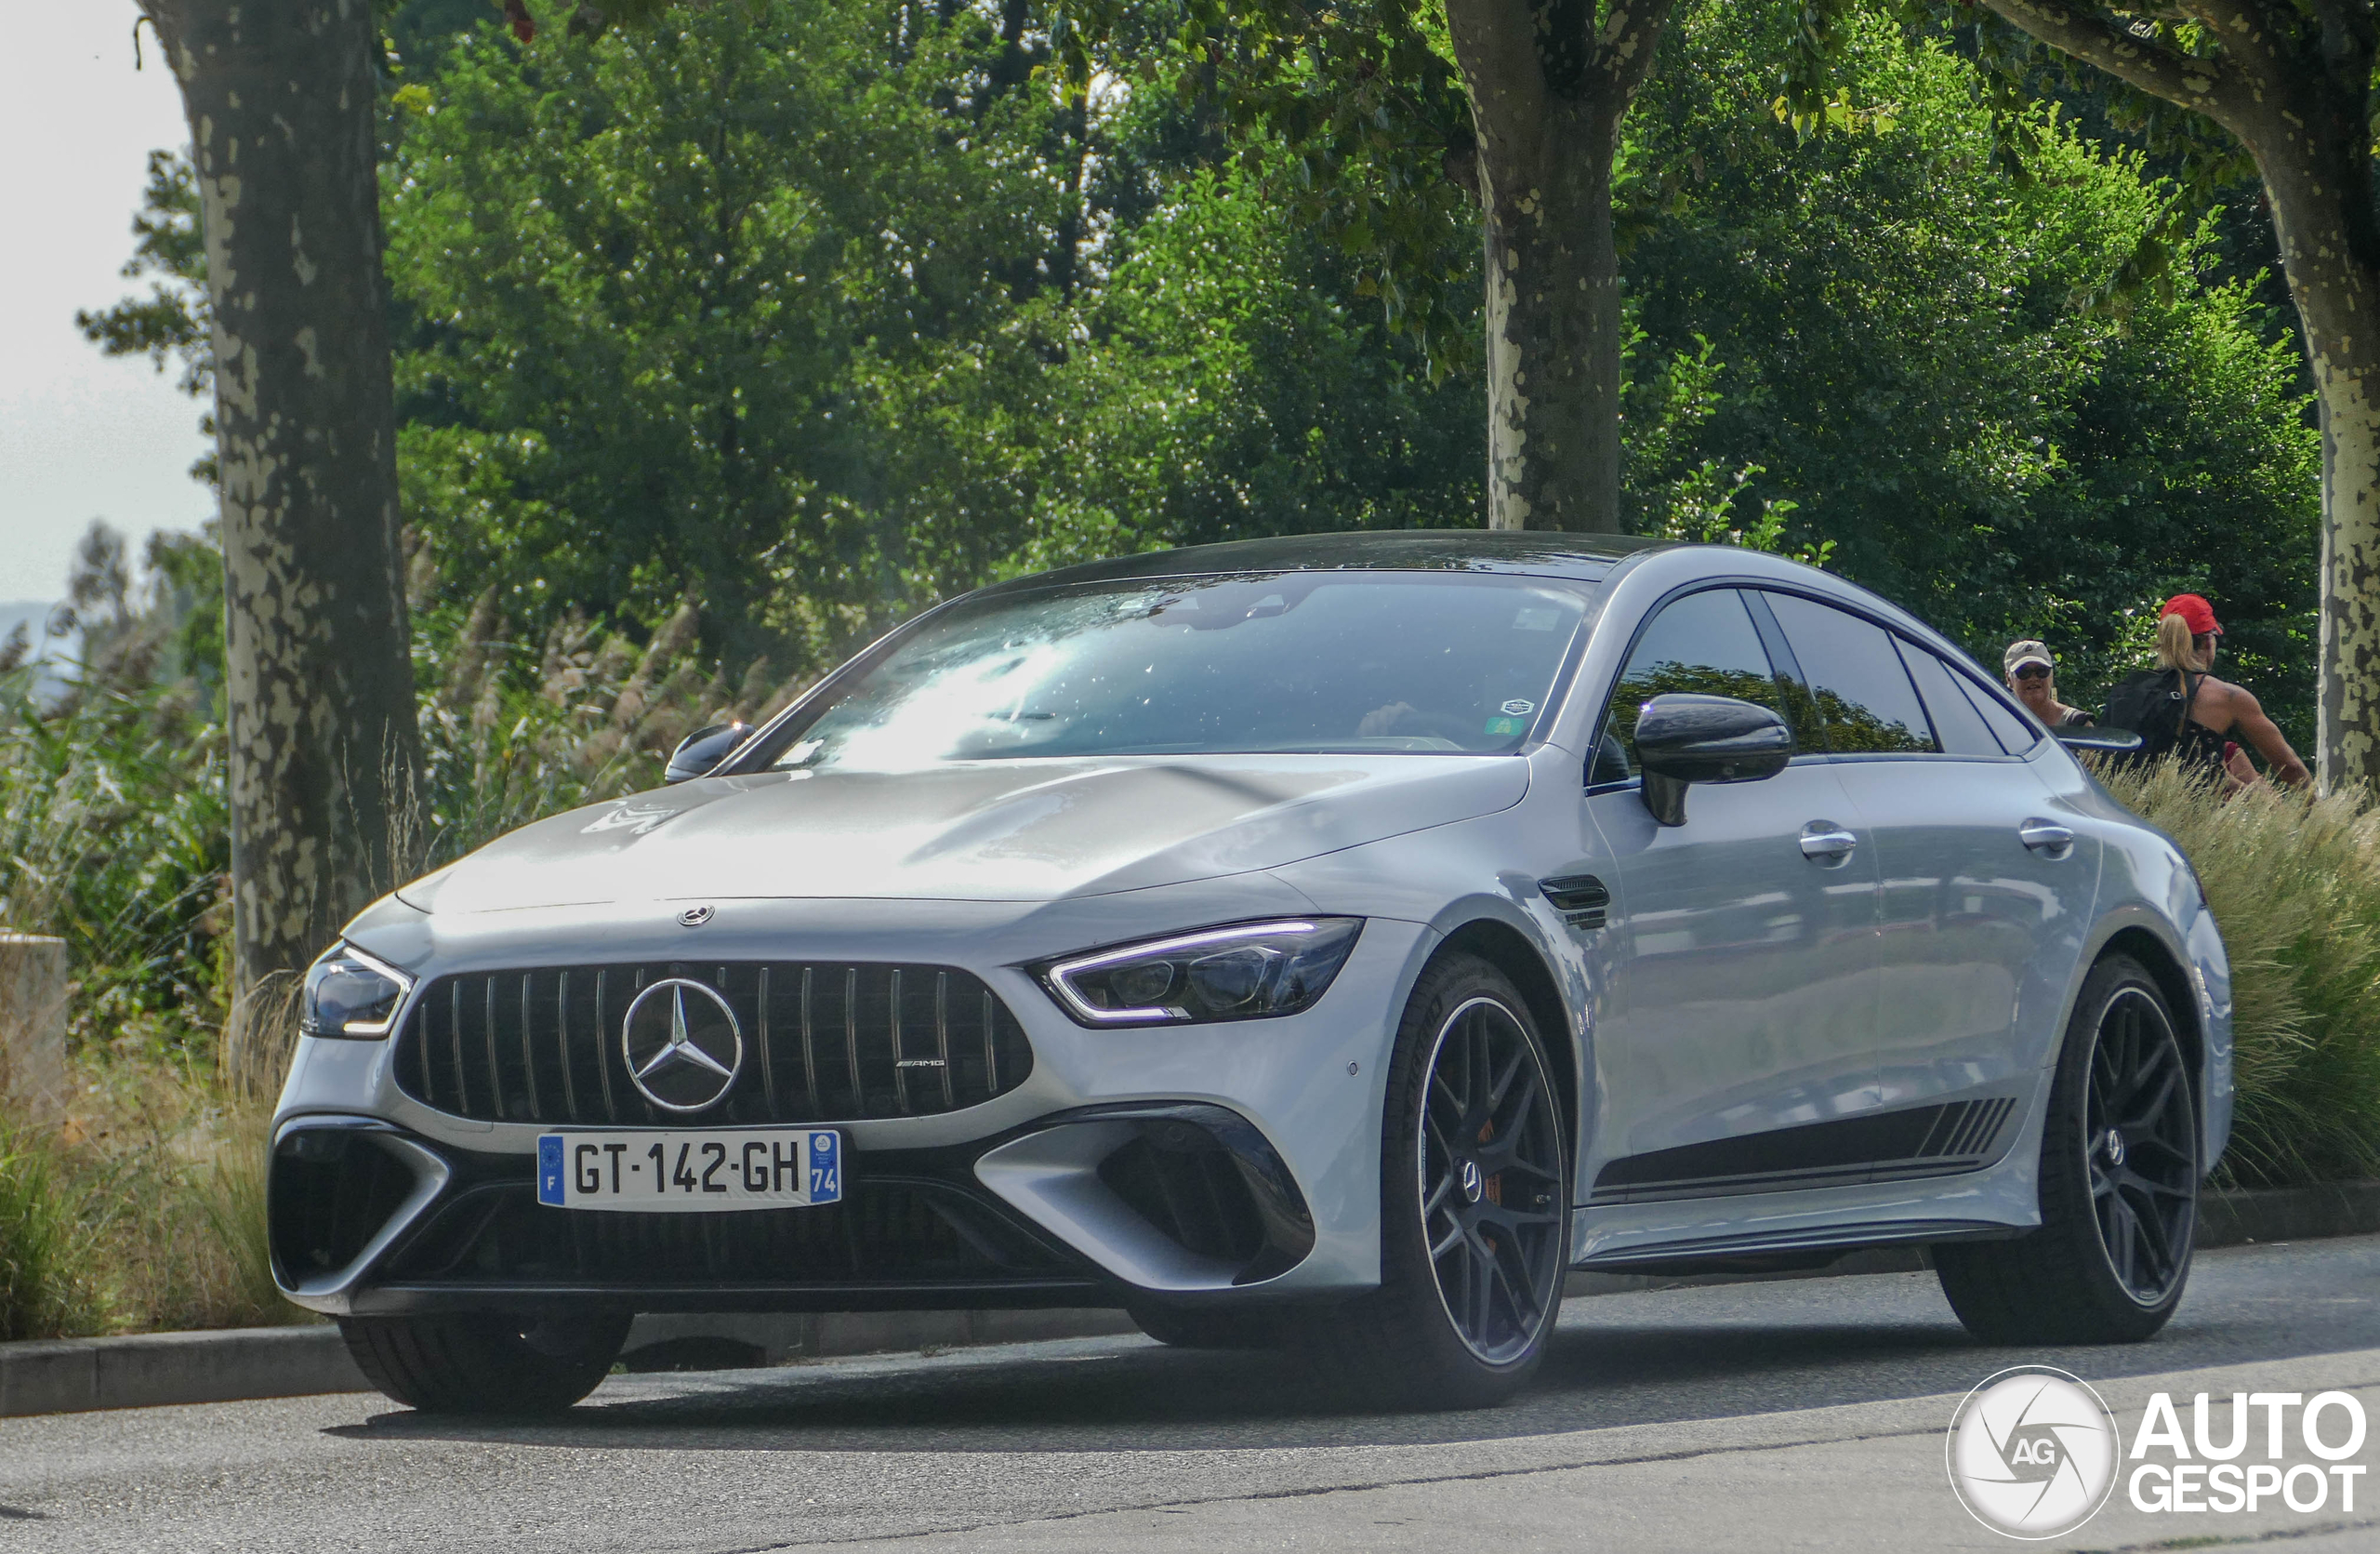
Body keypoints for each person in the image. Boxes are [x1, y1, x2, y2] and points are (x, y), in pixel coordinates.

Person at [2105, 593, 2310, 790]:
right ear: (2207, 641)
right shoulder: (2228, 697)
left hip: (2121, 815)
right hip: (2190, 818)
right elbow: (2289, 767)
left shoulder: (2131, 688)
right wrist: (2318, 815)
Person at [2003, 640, 2095, 727]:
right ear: (2009, 679)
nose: (2033, 678)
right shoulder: (1997, 723)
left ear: (2051, 675)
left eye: (2041, 671)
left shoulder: (2078, 724)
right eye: (2024, 672)